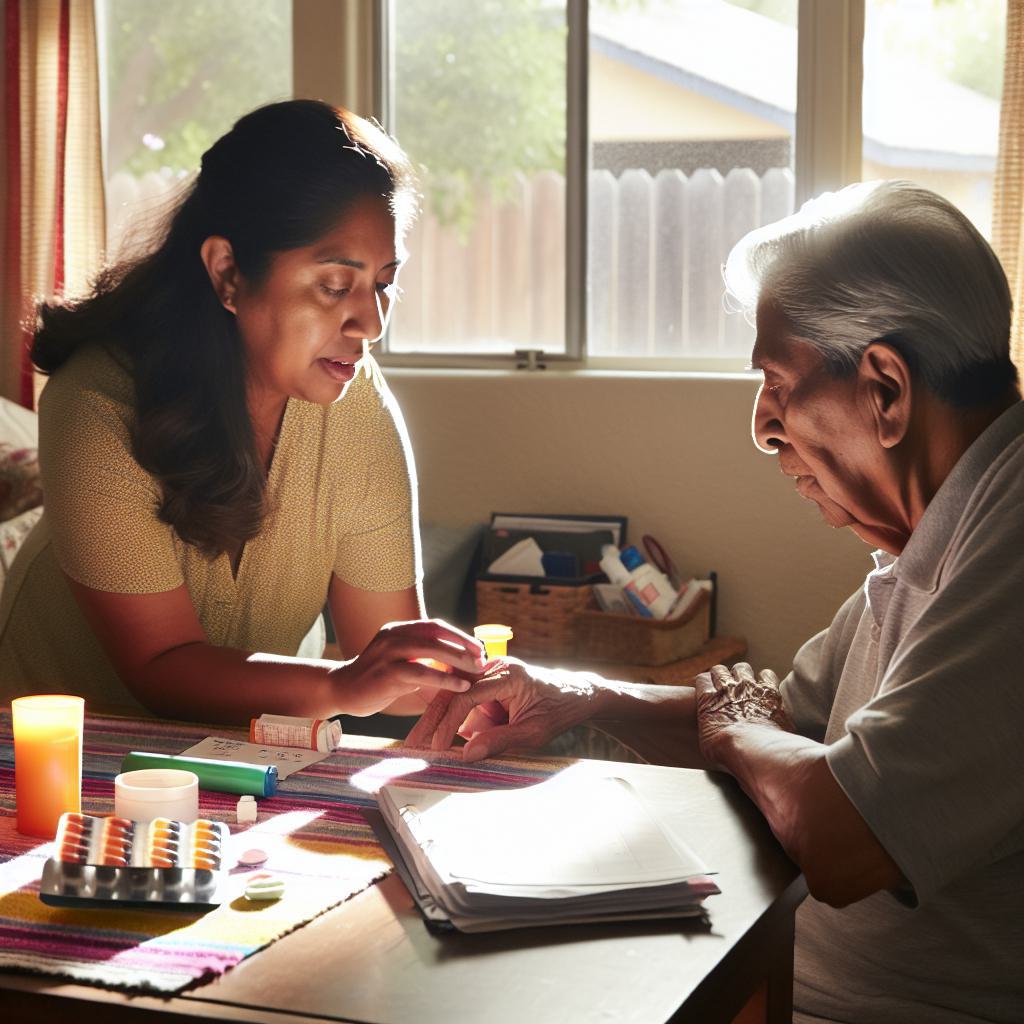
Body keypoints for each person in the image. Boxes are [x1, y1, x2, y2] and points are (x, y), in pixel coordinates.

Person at [408, 180, 1024, 1023]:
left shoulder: (1013, 532)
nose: (763, 429)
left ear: (885, 389)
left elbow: (839, 832)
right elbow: (786, 729)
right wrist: (577, 696)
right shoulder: (932, 536)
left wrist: (739, 725)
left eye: (776, 382)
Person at [0, 100, 484, 723]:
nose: (372, 323)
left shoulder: (354, 404)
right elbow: (160, 664)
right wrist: (338, 685)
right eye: (336, 286)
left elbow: (387, 658)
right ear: (228, 271)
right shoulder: (97, 401)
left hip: (236, 755)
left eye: (384, 284)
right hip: (56, 760)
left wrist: (484, 681)